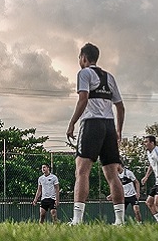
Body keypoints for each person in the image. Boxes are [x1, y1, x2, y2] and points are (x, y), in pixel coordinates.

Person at [65, 42, 127, 225]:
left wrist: (72, 123)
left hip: (91, 124)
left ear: (83, 58)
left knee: (82, 171)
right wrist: (118, 131)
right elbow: (121, 107)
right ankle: (120, 221)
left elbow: (83, 99)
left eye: (79, 58)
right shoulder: (110, 77)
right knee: (112, 174)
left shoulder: (84, 73)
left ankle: (77, 220)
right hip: (109, 126)